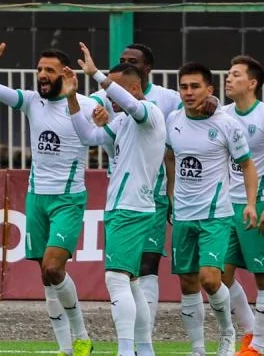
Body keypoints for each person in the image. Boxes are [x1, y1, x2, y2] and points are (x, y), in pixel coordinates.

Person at [0, 43, 96, 356]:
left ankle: (82, 336)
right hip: (36, 198)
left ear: (65, 74)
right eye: (40, 69)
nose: (42, 75)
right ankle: (65, 349)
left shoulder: (86, 104)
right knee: (46, 276)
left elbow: (116, 121)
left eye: (49, 70)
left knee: (53, 268)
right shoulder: (32, 101)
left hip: (68, 199)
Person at [69, 42, 167, 356]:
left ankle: (125, 350)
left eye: (115, 89)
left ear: (135, 88)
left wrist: (96, 74)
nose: (109, 97)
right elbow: (87, 136)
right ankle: (144, 349)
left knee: (116, 278)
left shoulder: (149, 113)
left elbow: (132, 105)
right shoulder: (123, 122)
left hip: (131, 207)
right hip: (121, 206)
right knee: (132, 282)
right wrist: (71, 98)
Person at [165, 62, 258, 356]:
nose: (189, 92)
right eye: (184, 87)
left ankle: (227, 332)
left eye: (195, 86)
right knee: (188, 282)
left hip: (215, 215)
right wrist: (170, 194)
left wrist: (251, 204)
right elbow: (170, 157)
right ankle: (197, 348)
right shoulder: (173, 119)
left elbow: (247, 165)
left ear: (209, 90)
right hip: (183, 215)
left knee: (210, 278)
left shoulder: (226, 124)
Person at [221, 55, 264, 356]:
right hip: (226, 207)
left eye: (235, 74)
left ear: (252, 83)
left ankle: (257, 347)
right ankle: (250, 330)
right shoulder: (222, 115)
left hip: (261, 204)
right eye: (228, 73)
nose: (228, 78)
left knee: (263, 276)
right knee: (218, 276)